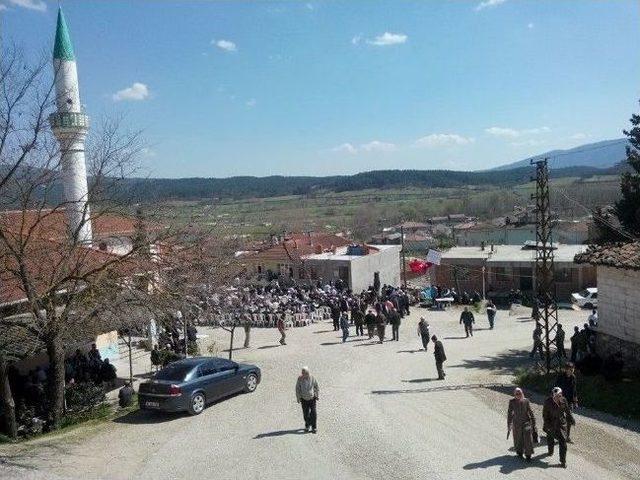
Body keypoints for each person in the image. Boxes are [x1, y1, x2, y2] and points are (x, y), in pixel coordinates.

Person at [543, 387, 575, 468]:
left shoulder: (564, 400)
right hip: (551, 424)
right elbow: (545, 415)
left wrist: (571, 419)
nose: (559, 397)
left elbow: (567, 411)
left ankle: (563, 461)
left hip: (561, 424)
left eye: (560, 395)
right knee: (550, 438)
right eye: (557, 396)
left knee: (563, 442)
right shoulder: (548, 402)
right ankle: (550, 451)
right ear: (553, 395)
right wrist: (548, 425)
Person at [507, 387, 537, 461]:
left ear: (522, 393)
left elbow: (531, 412)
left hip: (526, 422)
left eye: (519, 393)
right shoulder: (512, 401)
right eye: (516, 394)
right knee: (518, 438)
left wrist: (534, 422)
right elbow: (510, 414)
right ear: (514, 394)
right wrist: (509, 424)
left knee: (528, 438)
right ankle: (519, 452)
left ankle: (528, 455)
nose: (518, 395)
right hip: (516, 423)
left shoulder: (526, 401)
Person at [555, 363, 578, 442]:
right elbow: (556, 389)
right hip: (561, 401)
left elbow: (574, 390)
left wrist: (575, 401)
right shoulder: (560, 377)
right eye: (570, 370)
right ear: (566, 369)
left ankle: (567, 436)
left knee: (569, 419)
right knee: (560, 419)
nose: (572, 371)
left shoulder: (573, 377)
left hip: (569, 401)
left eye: (573, 369)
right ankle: (559, 434)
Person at [295, 366, 319, 433]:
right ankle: (307, 425)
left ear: (308, 373)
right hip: (304, 399)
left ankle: (314, 427)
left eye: (305, 373)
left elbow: (316, 386)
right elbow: (297, 389)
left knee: (313, 413)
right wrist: (298, 397)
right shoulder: (299, 379)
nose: (303, 375)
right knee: (306, 414)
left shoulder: (312, 378)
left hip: (312, 398)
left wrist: (316, 395)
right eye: (302, 373)